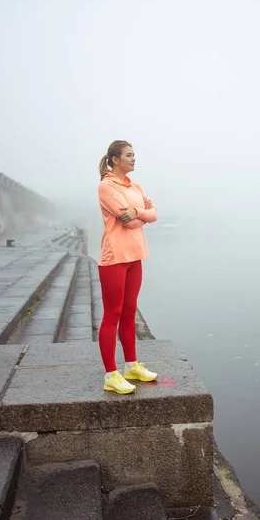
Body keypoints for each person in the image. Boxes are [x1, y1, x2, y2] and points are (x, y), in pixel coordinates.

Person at [98, 140, 158, 394]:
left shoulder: (135, 185)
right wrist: (140, 214)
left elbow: (153, 212)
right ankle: (111, 374)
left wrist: (137, 211)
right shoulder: (107, 186)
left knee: (130, 312)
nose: (134, 159)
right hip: (115, 257)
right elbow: (131, 223)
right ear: (115, 160)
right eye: (129, 155)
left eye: (134, 155)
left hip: (135, 256)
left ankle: (131, 365)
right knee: (113, 313)